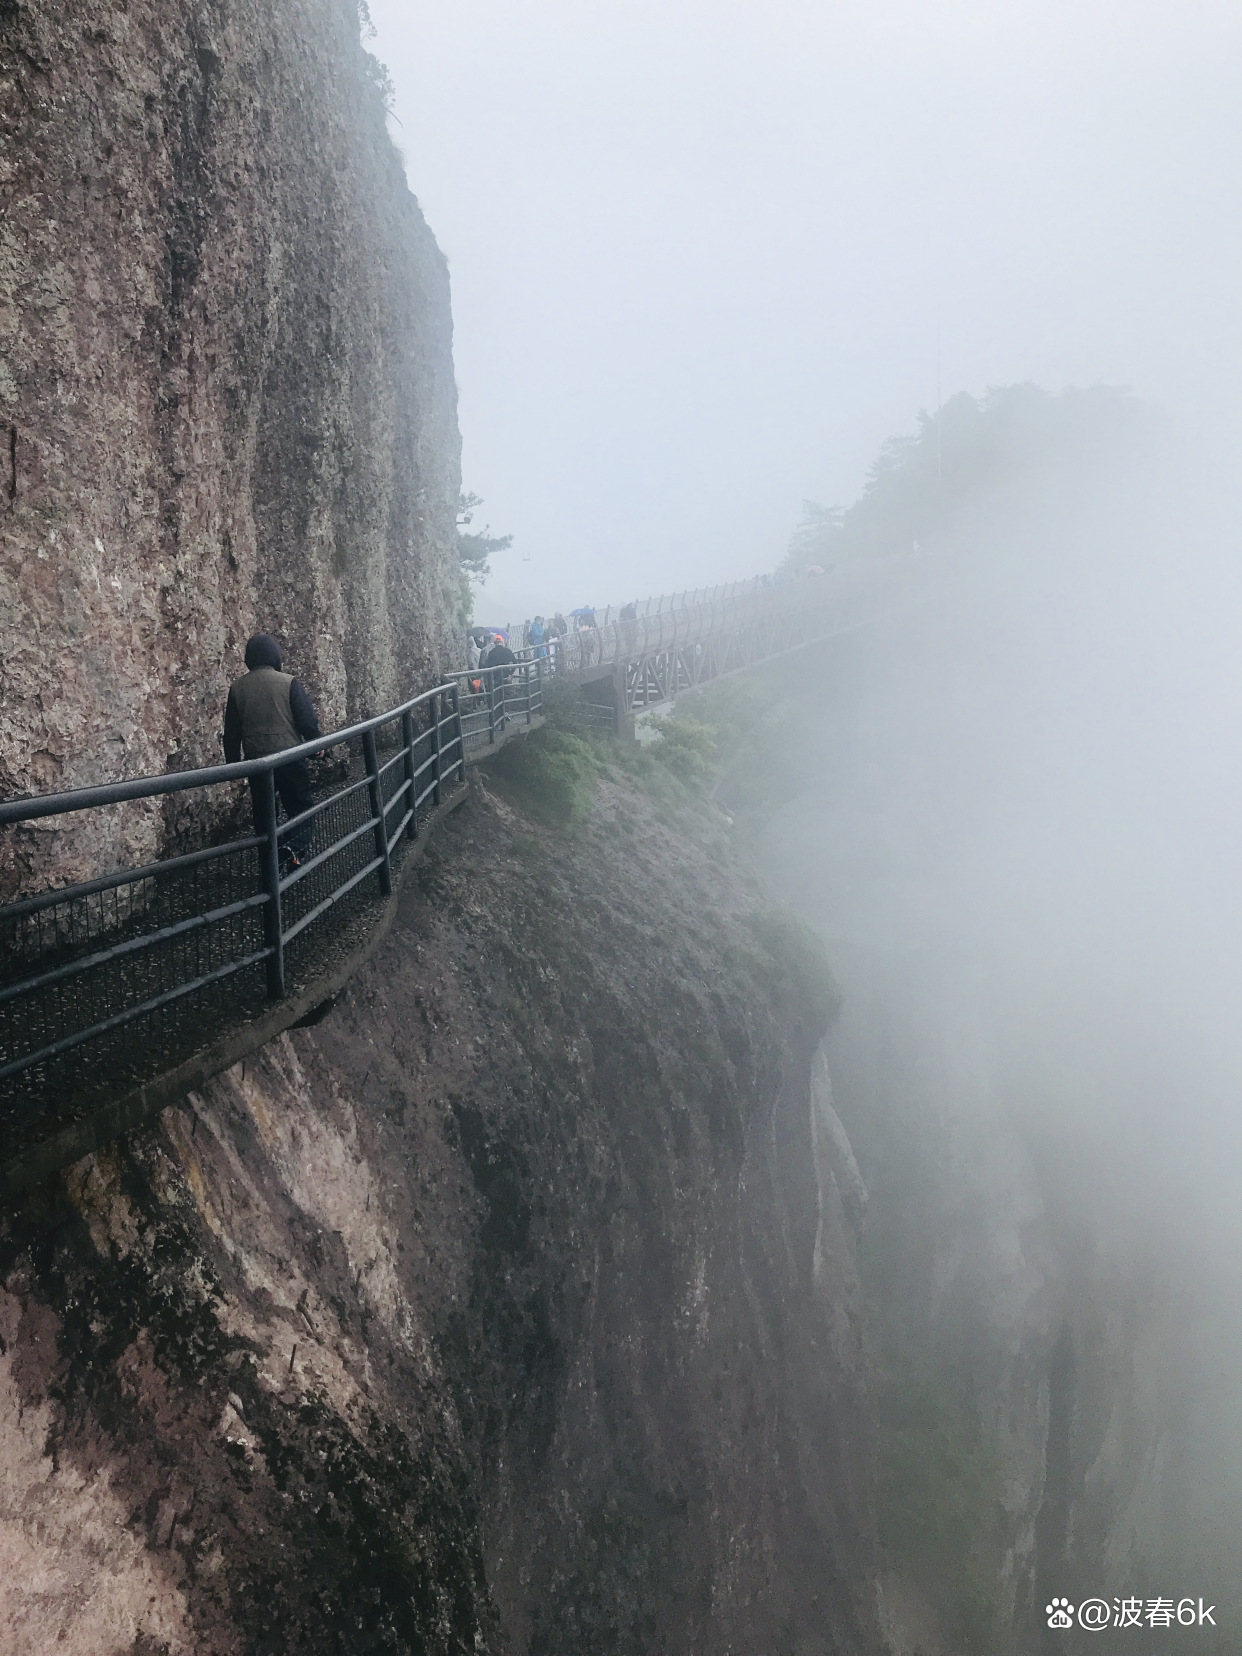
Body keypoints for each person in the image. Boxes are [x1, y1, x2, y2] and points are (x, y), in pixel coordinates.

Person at [223, 633, 321, 869]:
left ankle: (271, 862)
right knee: (301, 808)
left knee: (265, 816)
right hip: (290, 757)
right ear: (276, 656)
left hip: (257, 762)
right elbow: (306, 721)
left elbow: (232, 732)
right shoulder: (289, 682)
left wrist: (233, 764)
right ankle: (293, 848)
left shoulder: (237, 688)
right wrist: (317, 746)